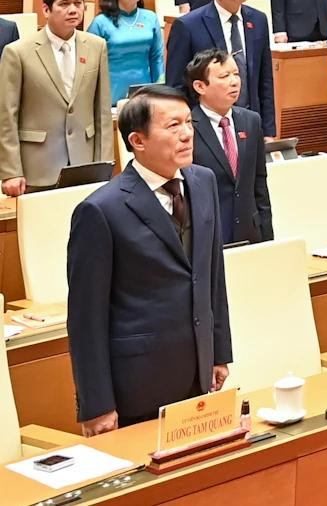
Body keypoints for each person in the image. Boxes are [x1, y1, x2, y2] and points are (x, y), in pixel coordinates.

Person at [67, 85, 231, 433]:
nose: (187, 134)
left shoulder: (203, 183)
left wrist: (218, 351)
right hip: (137, 385)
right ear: (137, 141)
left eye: (189, 122)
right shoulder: (100, 210)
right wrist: (97, 403)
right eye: (173, 126)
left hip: (199, 374)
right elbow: (86, 318)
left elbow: (212, 276)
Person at [0, 0, 110, 193]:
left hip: (84, 162)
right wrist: (11, 171)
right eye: (64, 4)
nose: (73, 10)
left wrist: (104, 165)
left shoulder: (97, 47)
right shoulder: (18, 52)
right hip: (37, 166)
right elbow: (6, 116)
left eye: (78, 3)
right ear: (46, 10)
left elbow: (103, 112)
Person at [164, 0, 274, 131]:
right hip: (204, 127)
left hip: (250, 122)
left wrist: (268, 129)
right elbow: (176, 86)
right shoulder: (188, 25)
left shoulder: (258, 20)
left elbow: (265, 79)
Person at [185, 50, 272, 245]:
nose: (234, 82)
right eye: (224, 76)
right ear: (200, 86)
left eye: (236, 74)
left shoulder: (251, 121)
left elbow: (260, 183)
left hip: (251, 234)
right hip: (209, 239)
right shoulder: (187, 127)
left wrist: (267, 238)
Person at [92, 0, 164, 104]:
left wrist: (159, 88)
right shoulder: (100, 22)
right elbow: (91, 63)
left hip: (144, 92)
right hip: (111, 92)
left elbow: (156, 57)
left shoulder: (150, 17)